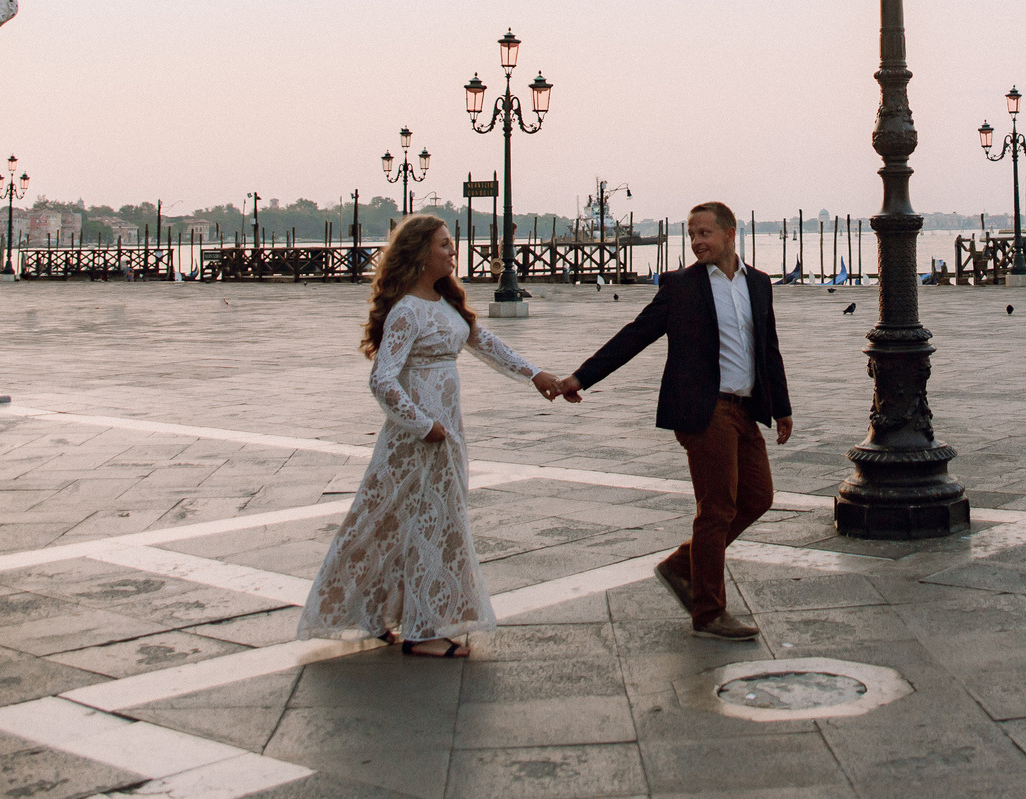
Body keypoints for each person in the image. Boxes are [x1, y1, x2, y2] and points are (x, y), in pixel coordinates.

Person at [299, 214, 567, 658]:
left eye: (450, 244)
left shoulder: (445, 303)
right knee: (410, 522)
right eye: (443, 244)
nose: (452, 250)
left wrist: (535, 374)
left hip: (446, 430)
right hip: (418, 435)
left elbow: (486, 343)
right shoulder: (407, 309)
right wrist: (422, 424)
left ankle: (383, 614)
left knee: (418, 521)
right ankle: (423, 631)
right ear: (421, 252)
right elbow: (382, 380)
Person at [555, 202, 792, 639]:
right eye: (691, 234)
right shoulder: (681, 286)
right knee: (717, 508)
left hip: (745, 409)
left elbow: (768, 346)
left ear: (729, 233)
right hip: (704, 410)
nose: (697, 241)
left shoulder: (758, 284)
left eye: (705, 233)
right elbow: (636, 333)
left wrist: (782, 407)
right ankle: (708, 611)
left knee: (757, 497)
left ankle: (681, 565)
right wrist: (581, 376)